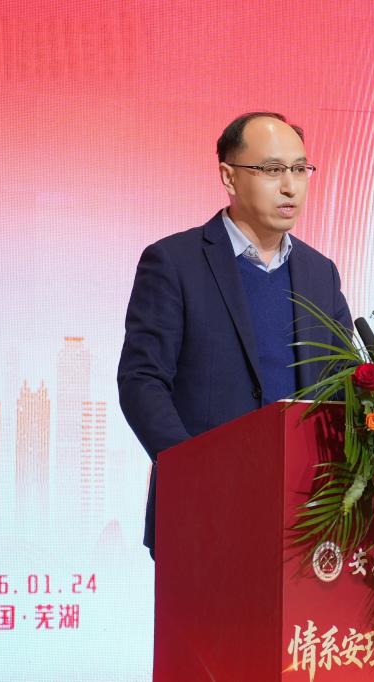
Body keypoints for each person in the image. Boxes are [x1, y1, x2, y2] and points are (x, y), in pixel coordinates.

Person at [117, 112, 353, 558]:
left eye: (299, 169)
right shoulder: (174, 263)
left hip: (308, 521)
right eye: (272, 170)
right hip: (205, 512)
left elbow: (345, 383)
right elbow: (142, 381)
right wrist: (195, 471)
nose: (290, 186)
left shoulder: (319, 273)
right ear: (229, 176)